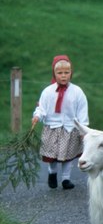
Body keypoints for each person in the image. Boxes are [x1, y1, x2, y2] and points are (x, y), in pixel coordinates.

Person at [32, 55, 89, 190]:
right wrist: (37, 116)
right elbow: (42, 108)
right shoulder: (48, 91)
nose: (63, 76)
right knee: (52, 155)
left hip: (70, 129)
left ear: (71, 73)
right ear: (54, 73)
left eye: (66, 73)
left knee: (67, 156)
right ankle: (52, 173)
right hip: (52, 128)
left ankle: (65, 179)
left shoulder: (77, 92)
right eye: (60, 73)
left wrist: (83, 129)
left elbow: (82, 111)